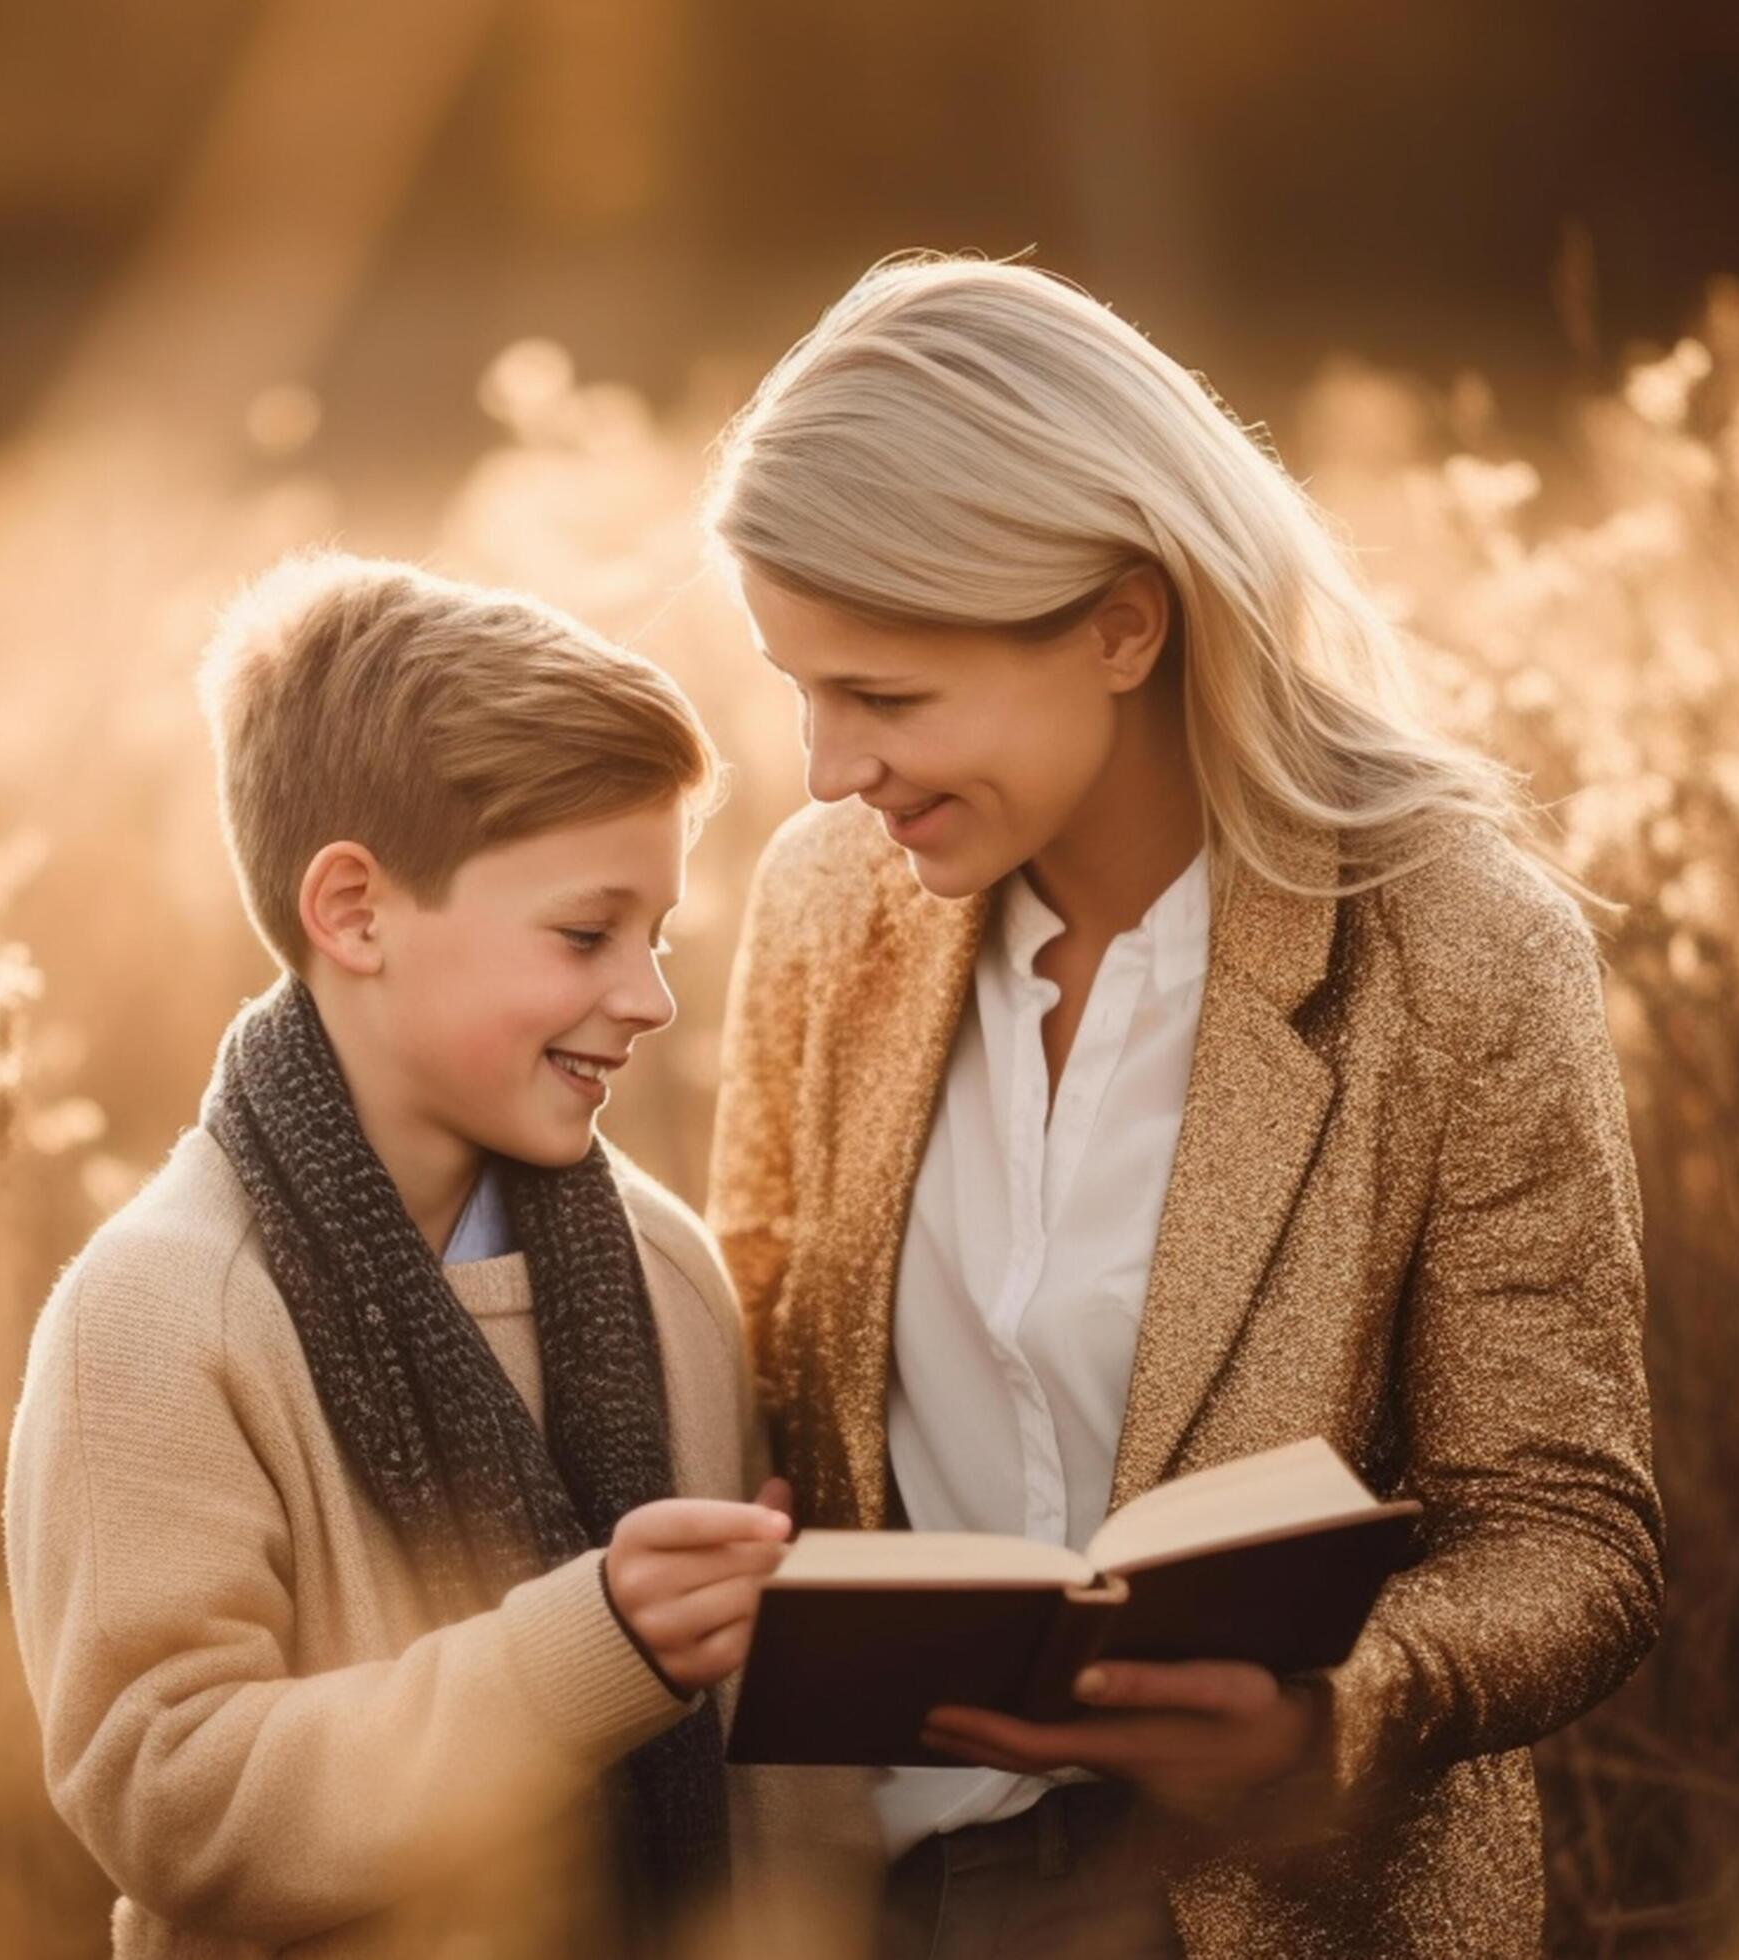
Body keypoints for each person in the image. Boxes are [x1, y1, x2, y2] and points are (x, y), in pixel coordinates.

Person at [701, 253, 1664, 1958]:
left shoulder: (1460, 951)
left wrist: (1333, 1716)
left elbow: (1563, 1531)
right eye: (799, 688)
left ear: (1121, 624)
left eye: (886, 697)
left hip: (1282, 1907)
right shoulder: (821, 904)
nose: (828, 768)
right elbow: (771, 1393)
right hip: (873, 1901)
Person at [2, 552, 805, 1956]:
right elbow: (175, 1800)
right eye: (584, 933)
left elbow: (754, 1789)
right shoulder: (157, 1314)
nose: (651, 995)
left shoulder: (667, 1276)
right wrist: (590, 1647)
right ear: (354, 912)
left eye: (658, 933)